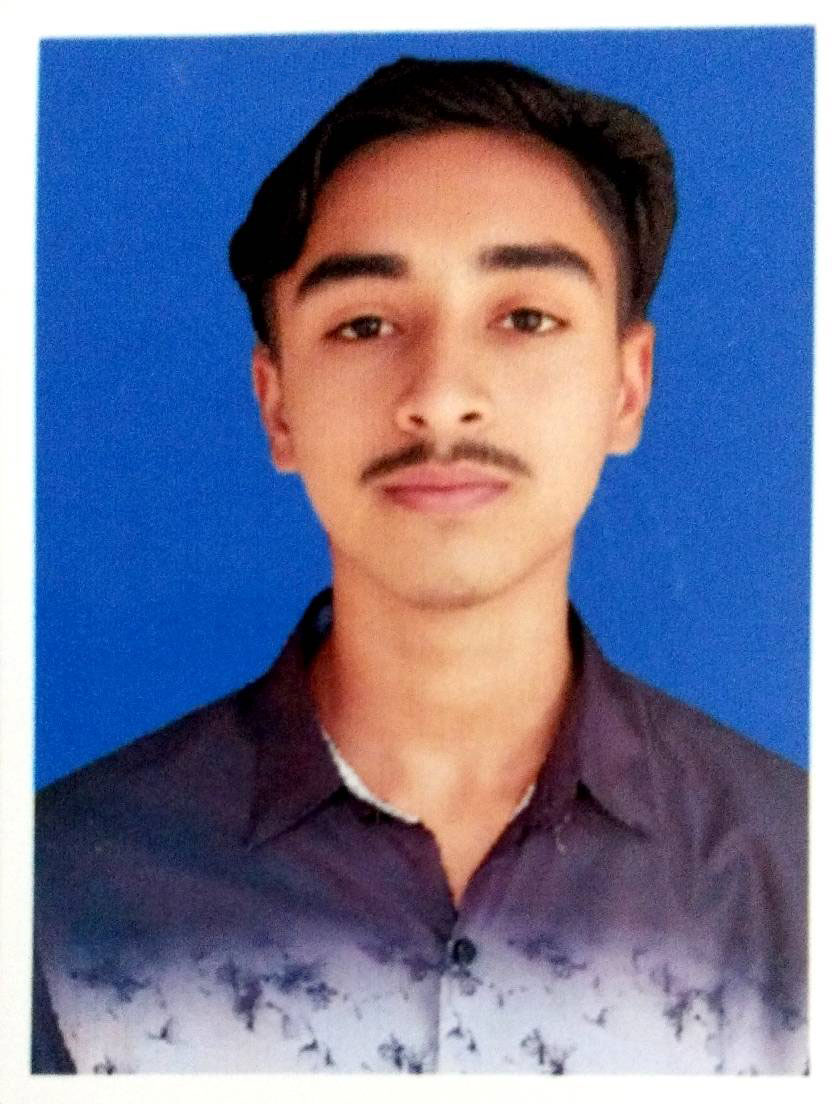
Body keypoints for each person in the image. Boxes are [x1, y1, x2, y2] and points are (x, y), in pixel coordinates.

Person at [32, 56, 807, 1075]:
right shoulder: (59, 894)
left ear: (628, 387)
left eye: (525, 318)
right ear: (277, 404)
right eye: (365, 324)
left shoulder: (800, 875)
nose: (441, 395)